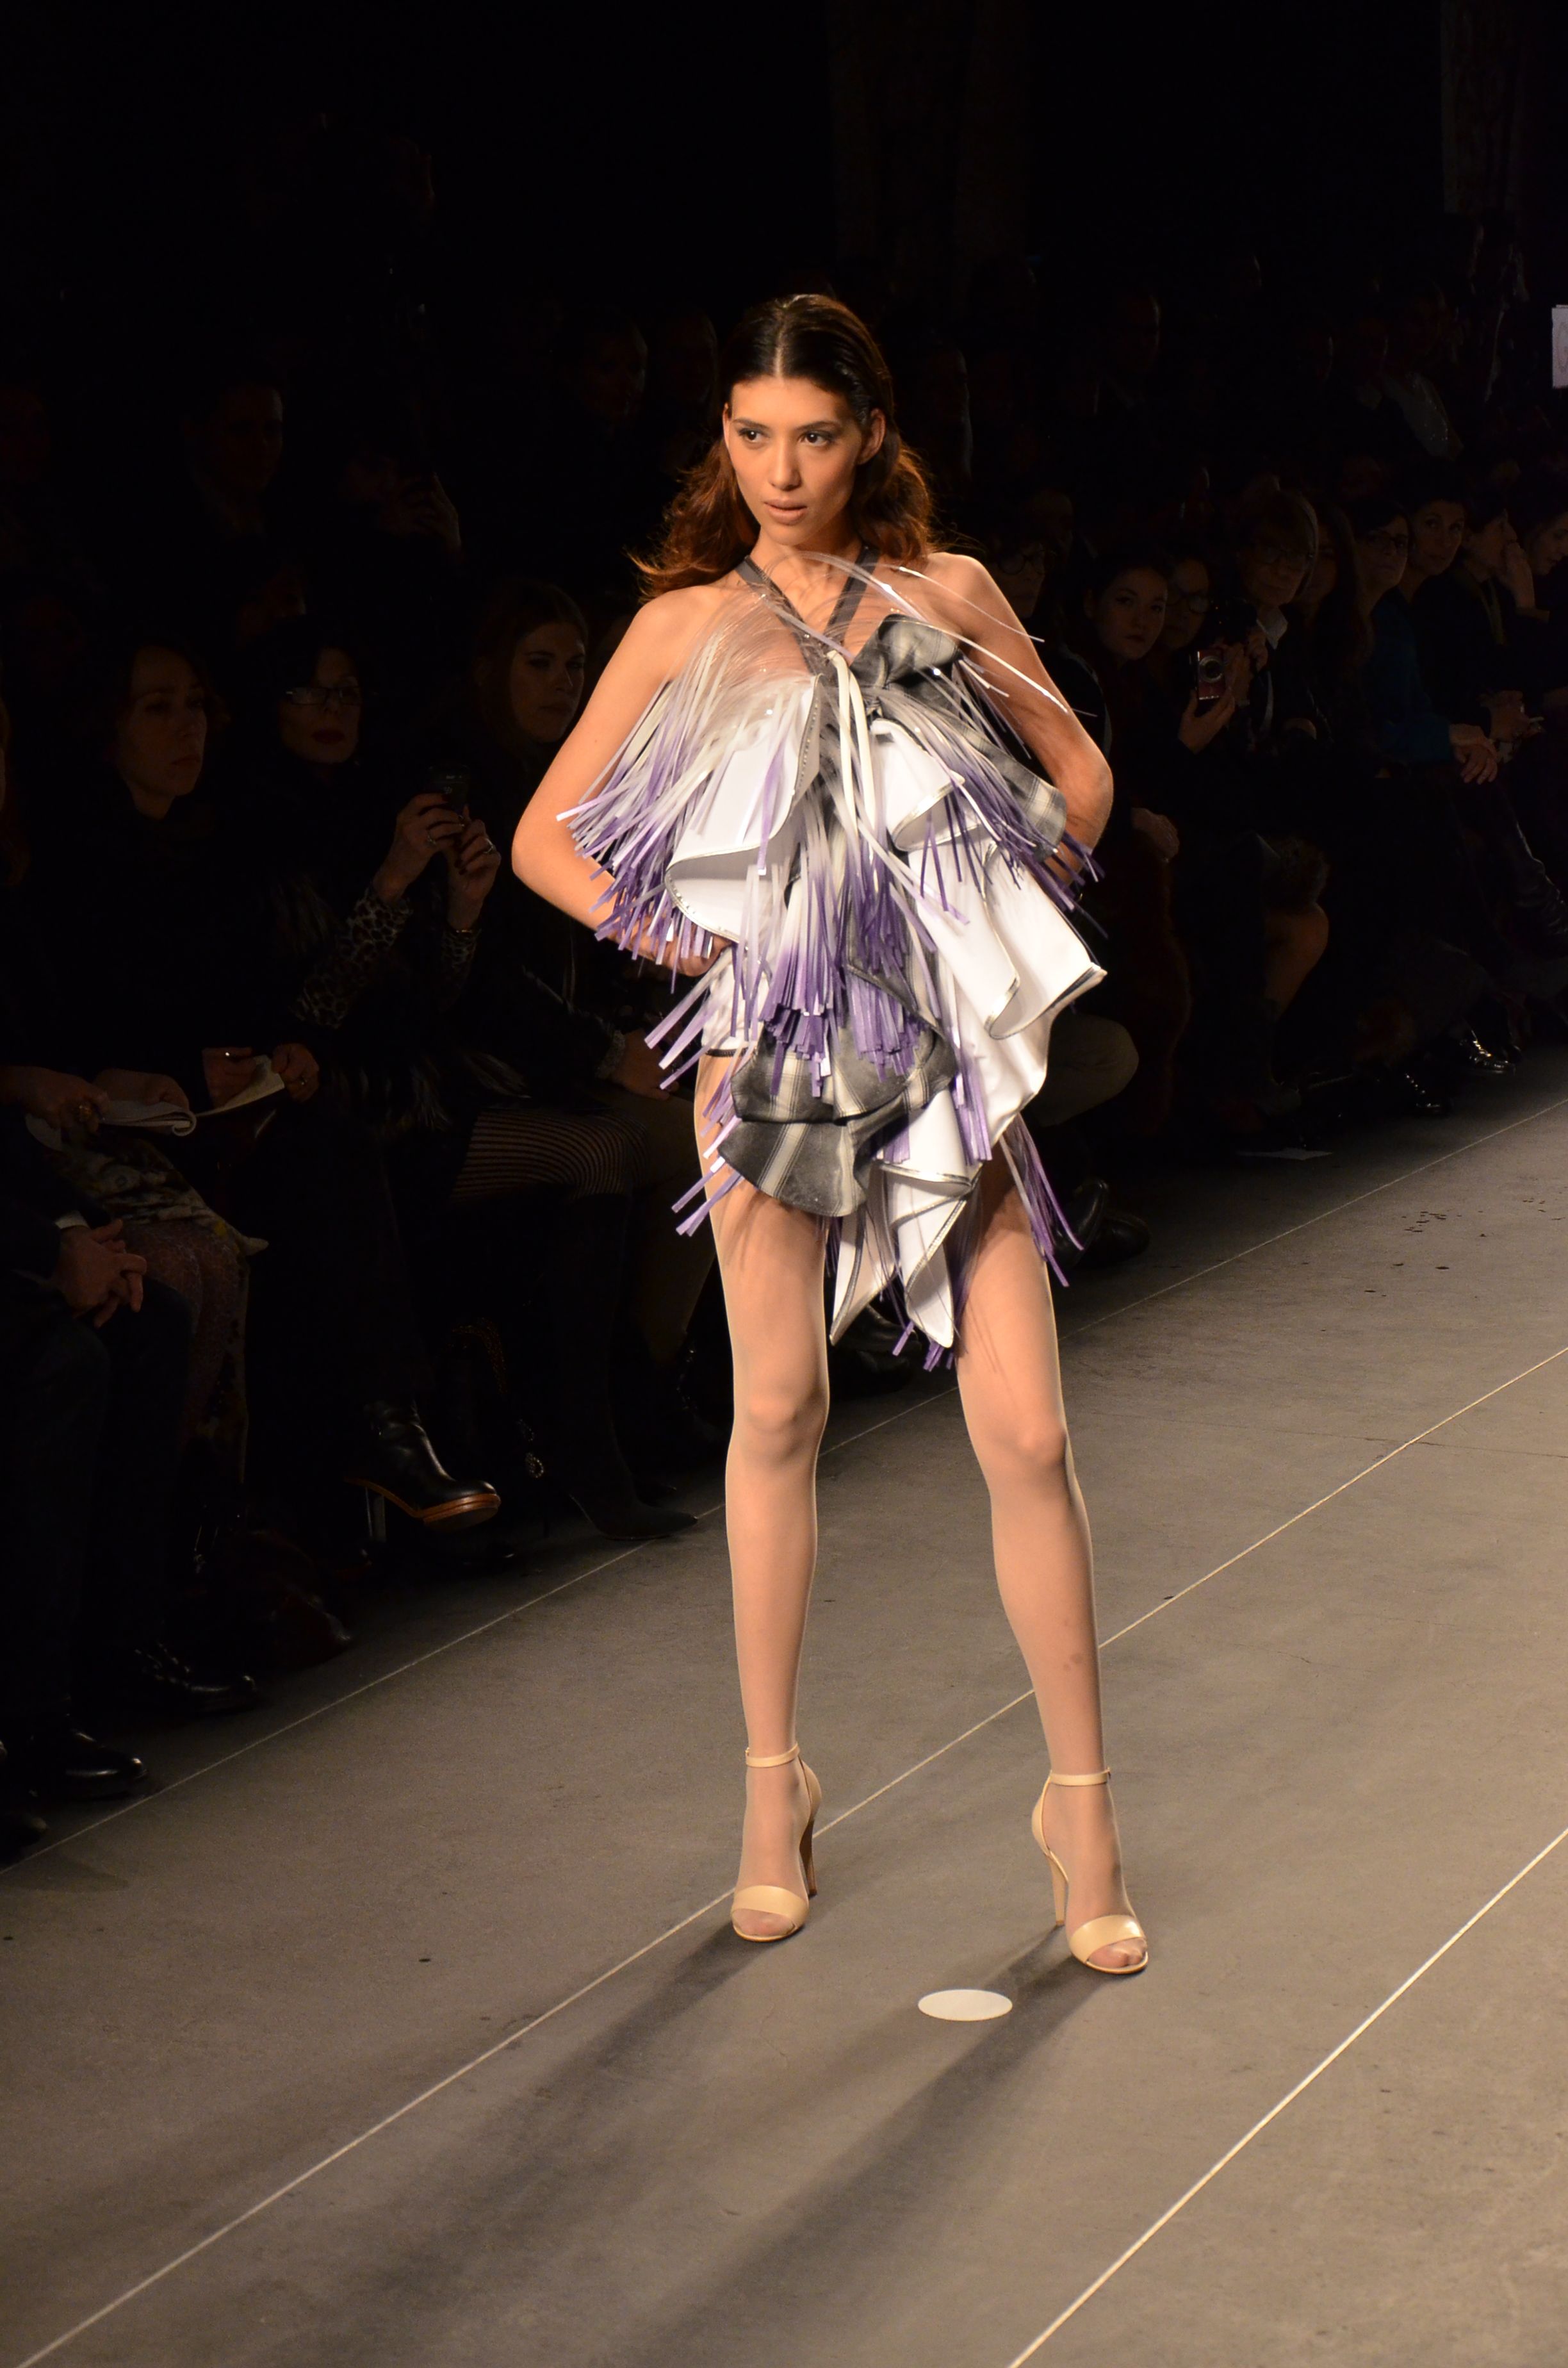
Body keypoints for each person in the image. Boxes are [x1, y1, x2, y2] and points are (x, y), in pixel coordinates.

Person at [515, 293, 1146, 1972]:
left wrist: (998, 894)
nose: (780, 471)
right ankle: (769, 1794)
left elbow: (1079, 768)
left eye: (811, 436)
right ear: (721, 440)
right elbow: (544, 837)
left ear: (869, 435)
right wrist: (683, 941)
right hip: (770, 1058)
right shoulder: (683, 626)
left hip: (935, 1056)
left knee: (1028, 1432)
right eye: (751, 436)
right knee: (778, 1411)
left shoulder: (950, 595)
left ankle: (1083, 1812)